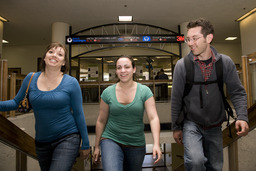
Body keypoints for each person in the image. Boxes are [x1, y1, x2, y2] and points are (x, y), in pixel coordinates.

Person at [171, 18, 249, 171]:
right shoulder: (182, 66)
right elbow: (176, 99)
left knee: (215, 166)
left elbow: (237, 92)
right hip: (191, 123)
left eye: (195, 38)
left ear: (209, 38)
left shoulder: (225, 63)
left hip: (215, 124)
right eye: (188, 39)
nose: (190, 43)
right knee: (195, 161)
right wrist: (176, 127)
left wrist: (242, 117)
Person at [0, 42, 90, 171]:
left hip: (68, 137)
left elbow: (78, 113)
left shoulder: (71, 82)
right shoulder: (31, 78)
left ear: (64, 62)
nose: (54, 56)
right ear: (44, 57)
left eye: (60, 54)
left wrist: (86, 143)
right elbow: (15, 103)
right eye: (51, 52)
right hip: (42, 142)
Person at [93, 55, 162, 171]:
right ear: (116, 71)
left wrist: (156, 143)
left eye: (127, 67)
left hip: (136, 143)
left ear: (134, 69)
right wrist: (96, 147)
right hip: (111, 139)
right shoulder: (107, 92)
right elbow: (101, 120)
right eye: (119, 67)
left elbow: (153, 118)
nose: (123, 71)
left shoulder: (144, 91)